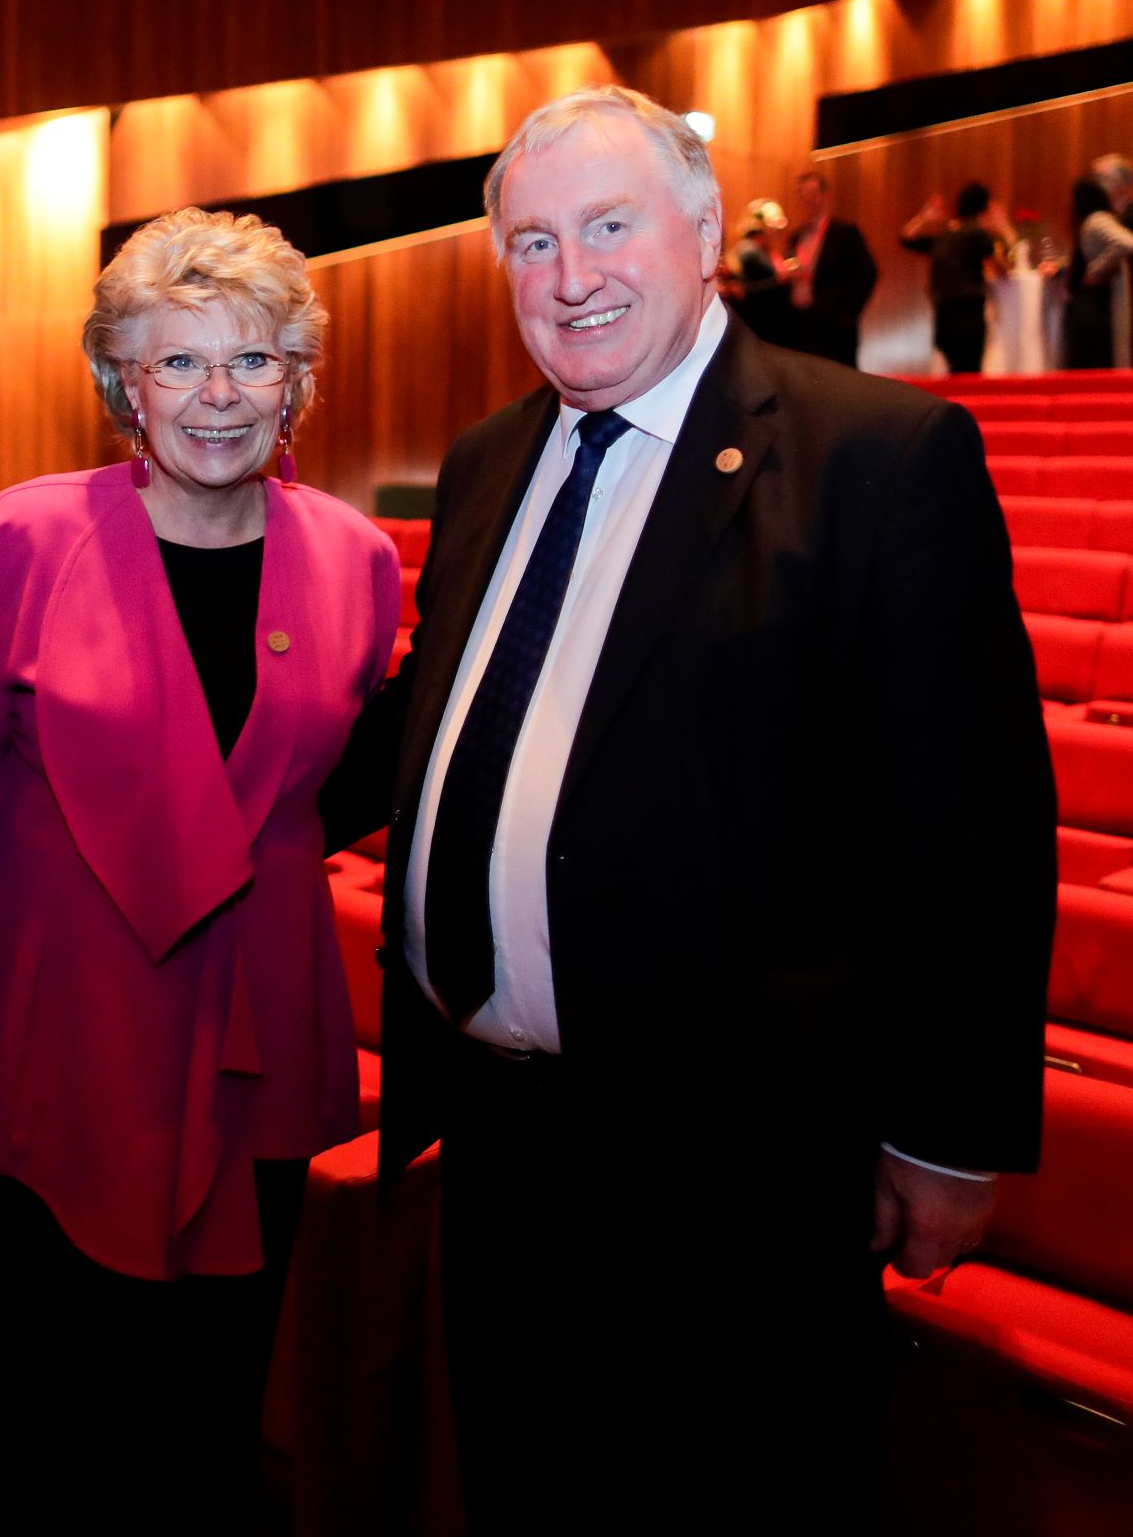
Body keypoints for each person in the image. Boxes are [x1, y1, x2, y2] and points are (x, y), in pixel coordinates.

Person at [325, 86, 1054, 1532]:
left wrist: (953, 1133)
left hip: (738, 1176)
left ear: (707, 232)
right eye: (530, 243)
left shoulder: (877, 462)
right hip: (504, 1146)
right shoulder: (483, 466)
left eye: (608, 227)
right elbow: (453, 728)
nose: (570, 276)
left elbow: (971, 826)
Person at [0, 206, 399, 1531]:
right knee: (76, 1421)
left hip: (262, 1030)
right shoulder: (22, 539)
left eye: (253, 361)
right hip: (63, 1038)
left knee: (214, 1415)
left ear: (298, 383)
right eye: (176, 362)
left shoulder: (356, 560)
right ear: (120, 384)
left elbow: (335, 778)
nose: (217, 395)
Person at [899, 182, 1011, 375]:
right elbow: (1003, 269)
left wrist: (924, 219)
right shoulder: (976, 232)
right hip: (968, 314)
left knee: (954, 373)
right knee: (970, 374)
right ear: (984, 207)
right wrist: (1004, 229)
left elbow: (906, 238)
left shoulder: (946, 233)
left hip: (943, 314)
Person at [785, 167, 878, 364]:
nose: (808, 199)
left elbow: (867, 273)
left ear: (825, 196)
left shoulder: (844, 233)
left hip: (833, 329)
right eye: (803, 194)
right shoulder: (796, 237)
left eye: (812, 193)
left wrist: (846, 315)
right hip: (801, 326)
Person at [1063, 175, 1133, 369]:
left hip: (1095, 302)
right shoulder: (1099, 220)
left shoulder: (1095, 220)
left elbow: (1127, 242)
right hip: (1096, 301)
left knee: (1089, 358)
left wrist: (1095, 270)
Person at [722, 197, 795, 345]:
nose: (776, 234)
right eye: (773, 230)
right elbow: (773, 280)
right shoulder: (750, 250)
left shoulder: (759, 250)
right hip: (761, 323)